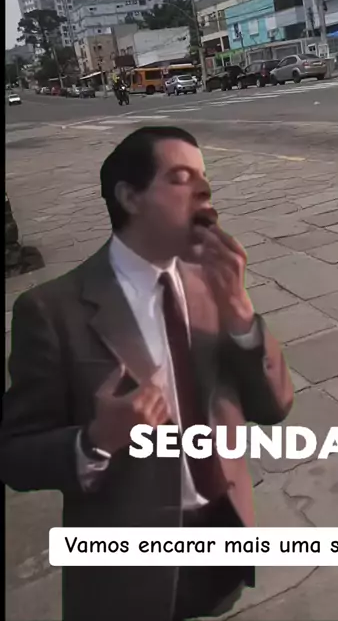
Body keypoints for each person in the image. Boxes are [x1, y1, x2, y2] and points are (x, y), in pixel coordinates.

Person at [0, 126, 294, 621]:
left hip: (223, 532)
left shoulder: (213, 283)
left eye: (204, 178)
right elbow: (14, 456)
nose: (203, 191)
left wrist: (243, 317)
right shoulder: (51, 311)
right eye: (181, 178)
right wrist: (94, 441)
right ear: (130, 197)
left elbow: (274, 406)